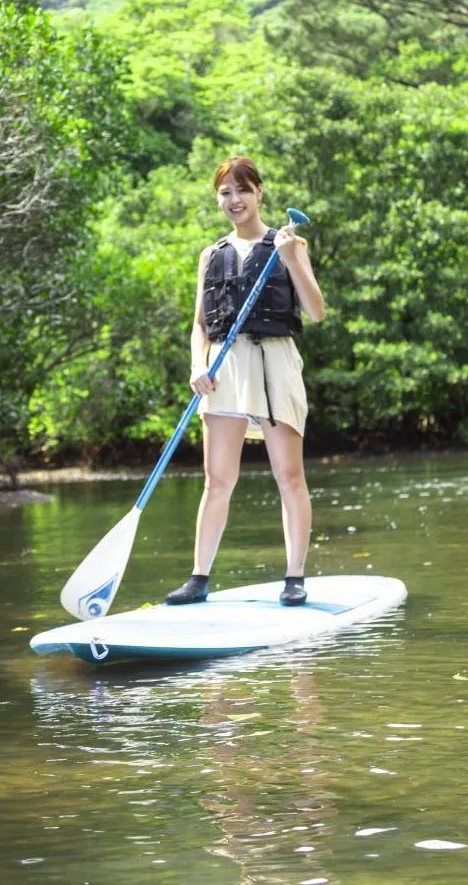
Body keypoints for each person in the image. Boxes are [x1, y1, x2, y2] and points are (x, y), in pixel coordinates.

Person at [163, 156, 327, 608]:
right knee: (217, 480)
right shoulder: (210, 254)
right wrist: (198, 365)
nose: (234, 200)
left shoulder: (288, 244)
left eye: (242, 190)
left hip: (273, 362)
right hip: (223, 368)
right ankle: (198, 577)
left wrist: (293, 259)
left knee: (289, 475)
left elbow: (316, 312)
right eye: (225, 193)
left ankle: (294, 576)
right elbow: (200, 323)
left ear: (259, 193)